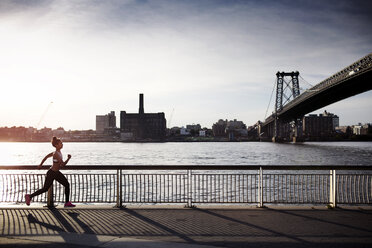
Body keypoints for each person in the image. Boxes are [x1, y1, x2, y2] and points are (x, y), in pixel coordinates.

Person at [25, 137, 75, 207]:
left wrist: (40, 165)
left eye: (62, 143)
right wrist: (68, 159)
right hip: (52, 173)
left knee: (67, 184)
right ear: (56, 145)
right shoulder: (56, 154)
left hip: (56, 173)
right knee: (45, 188)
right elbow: (63, 165)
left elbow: (46, 157)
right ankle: (29, 196)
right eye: (61, 143)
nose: (62, 144)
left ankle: (67, 202)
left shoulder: (57, 152)